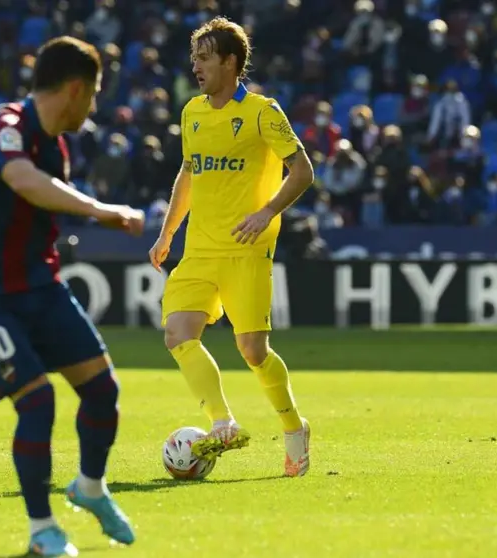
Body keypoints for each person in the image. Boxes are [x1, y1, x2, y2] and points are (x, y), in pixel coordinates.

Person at [0, 36, 144, 557]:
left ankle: (90, 489)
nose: (93, 106)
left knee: (102, 391)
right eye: (93, 94)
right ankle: (42, 531)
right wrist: (104, 211)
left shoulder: (57, 145)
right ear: (75, 89)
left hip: (36, 285)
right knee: (38, 401)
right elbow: (23, 181)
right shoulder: (1, 127)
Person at [148, 17, 315, 477]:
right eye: (193, 58)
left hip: (247, 248)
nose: (196, 66)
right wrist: (167, 233)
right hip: (200, 248)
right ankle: (222, 423)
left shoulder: (264, 111)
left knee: (253, 351)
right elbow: (188, 173)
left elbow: (302, 171)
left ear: (231, 62)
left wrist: (267, 212)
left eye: (204, 58)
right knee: (178, 334)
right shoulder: (192, 113)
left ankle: (294, 427)